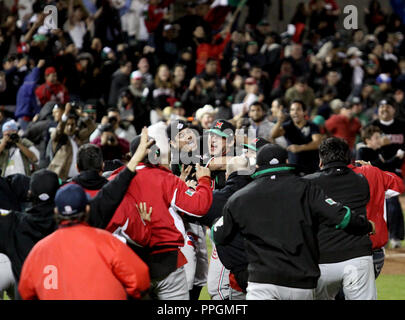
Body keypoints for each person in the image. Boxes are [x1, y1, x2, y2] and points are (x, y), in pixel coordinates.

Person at [212, 143, 374, 300]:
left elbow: (218, 234)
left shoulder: (240, 197)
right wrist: (366, 225)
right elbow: (342, 217)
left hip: (261, 281)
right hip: (300, 282)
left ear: (257, 166)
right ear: (287, 162)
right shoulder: (307, 188)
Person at [0, 128, 153, 293]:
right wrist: (136, 158)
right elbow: (111, 193)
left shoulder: (14, 225)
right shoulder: (84, 222)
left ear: (30, 195)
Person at [105, 132, 213, 300]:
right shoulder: (167, 178)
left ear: (132, 155)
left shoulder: (114, 181)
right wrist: (204, 181)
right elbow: (198, 207)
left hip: (128, 261)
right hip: (167, 262)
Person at [18, 183, 150, 300]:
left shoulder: (39, 250)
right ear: (87, 209)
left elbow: (25, 291)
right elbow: (140, 278)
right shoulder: (106, 241)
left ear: (56, 211)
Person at [305, 137, 376, 300]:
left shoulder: (308, 183)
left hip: (322, 259)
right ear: (348, 158)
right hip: (358, 256)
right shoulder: (361, 180)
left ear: (321, 159)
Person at [350, 161, 404, 278]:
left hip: (337, 249)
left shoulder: (321, 179)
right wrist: (375, 171)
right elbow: (399, 185)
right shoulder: (371, 173)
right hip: (372, 247)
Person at [370, 98, 405, 248]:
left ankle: (395, 236)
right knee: (377, 204)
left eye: (387, 107)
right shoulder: (373, 127)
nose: (384, 109)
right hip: (376, 170)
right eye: (381, 106)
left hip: (395, 170)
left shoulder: (402, 126)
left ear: (394, 109)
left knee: (392, 202)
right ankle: (381, 236)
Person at [48, 103, 96, 181]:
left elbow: (92, 128)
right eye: (67, 124)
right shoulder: (59, 137)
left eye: (72, 124)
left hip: (77, 178)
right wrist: (65, 114)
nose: (70, 127)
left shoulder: (78, 136)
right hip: (61, 177)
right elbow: (58, 131)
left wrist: (82, 115)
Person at [271, 100, 322, 173]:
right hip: (294, 169)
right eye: (292, 110)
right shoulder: (287, 126)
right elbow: (273, 135)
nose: (295, 112)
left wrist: (300, 148)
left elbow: (317, 143)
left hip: (312, 168)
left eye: (298, 109)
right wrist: (279, 121)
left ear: (305, 112)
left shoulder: (312, 126)